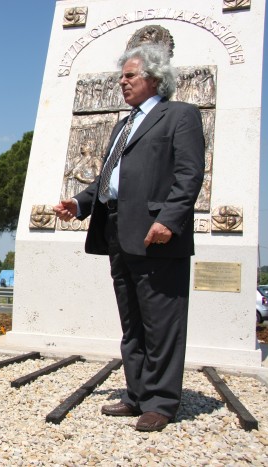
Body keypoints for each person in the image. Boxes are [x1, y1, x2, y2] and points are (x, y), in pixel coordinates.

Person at [53, 44, 205, 432]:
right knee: (132, 321)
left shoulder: (180, 115)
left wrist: (169, 220)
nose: (122, 81)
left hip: (157, 234)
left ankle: (161, 401)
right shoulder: (123, 125)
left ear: (154, 77)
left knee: (162, 321)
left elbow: (189, 174)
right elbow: (108, 180)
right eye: (121, 76)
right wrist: (79, 203)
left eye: (129, 75)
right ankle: (137, 394)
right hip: (117, 231)